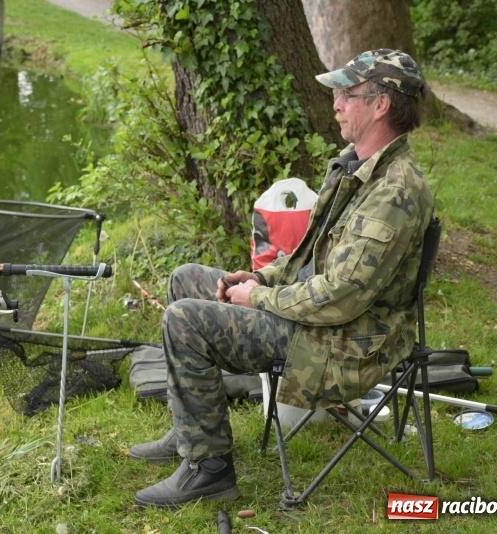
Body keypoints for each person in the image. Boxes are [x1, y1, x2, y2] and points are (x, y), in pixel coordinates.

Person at [129, 49, 436, 509]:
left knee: (184, 320)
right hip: (319, 320)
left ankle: (209, 470)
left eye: (346, 95)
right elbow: (308, 259)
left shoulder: (396, 193)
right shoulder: (354, 166)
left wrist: (258, 300)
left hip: (343, 343)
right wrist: (258, 277)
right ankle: (190, 432)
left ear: (381, 105)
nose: (335, 104)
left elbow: (341, 298)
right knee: (185, 279)